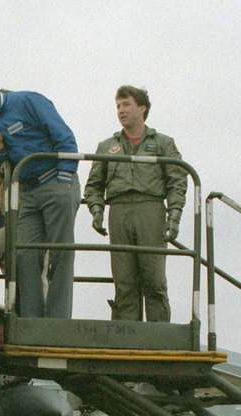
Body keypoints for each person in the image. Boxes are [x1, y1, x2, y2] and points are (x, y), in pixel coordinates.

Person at [0, 74, 80, 319]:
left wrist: (64, 180)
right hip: (28, 192)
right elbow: (3, 163)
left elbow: (64, 136)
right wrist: (1, 150)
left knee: (60, 251)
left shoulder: (28, 101)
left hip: (55, 183)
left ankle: (57, 319)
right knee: (24, 254)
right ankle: (30, 319)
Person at [83, 86, 188, 322]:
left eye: (126, 104)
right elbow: (93, 185)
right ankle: (127, 337)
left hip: (150, 210)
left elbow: (177, 181)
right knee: (124, 281)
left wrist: (174, 215)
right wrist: (97, 209)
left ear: (142, 108)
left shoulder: (163, 143)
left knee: (155, 280)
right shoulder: (106, 146)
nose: (121, 110)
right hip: (118, 212)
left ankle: (159, 338)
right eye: (118, 106)